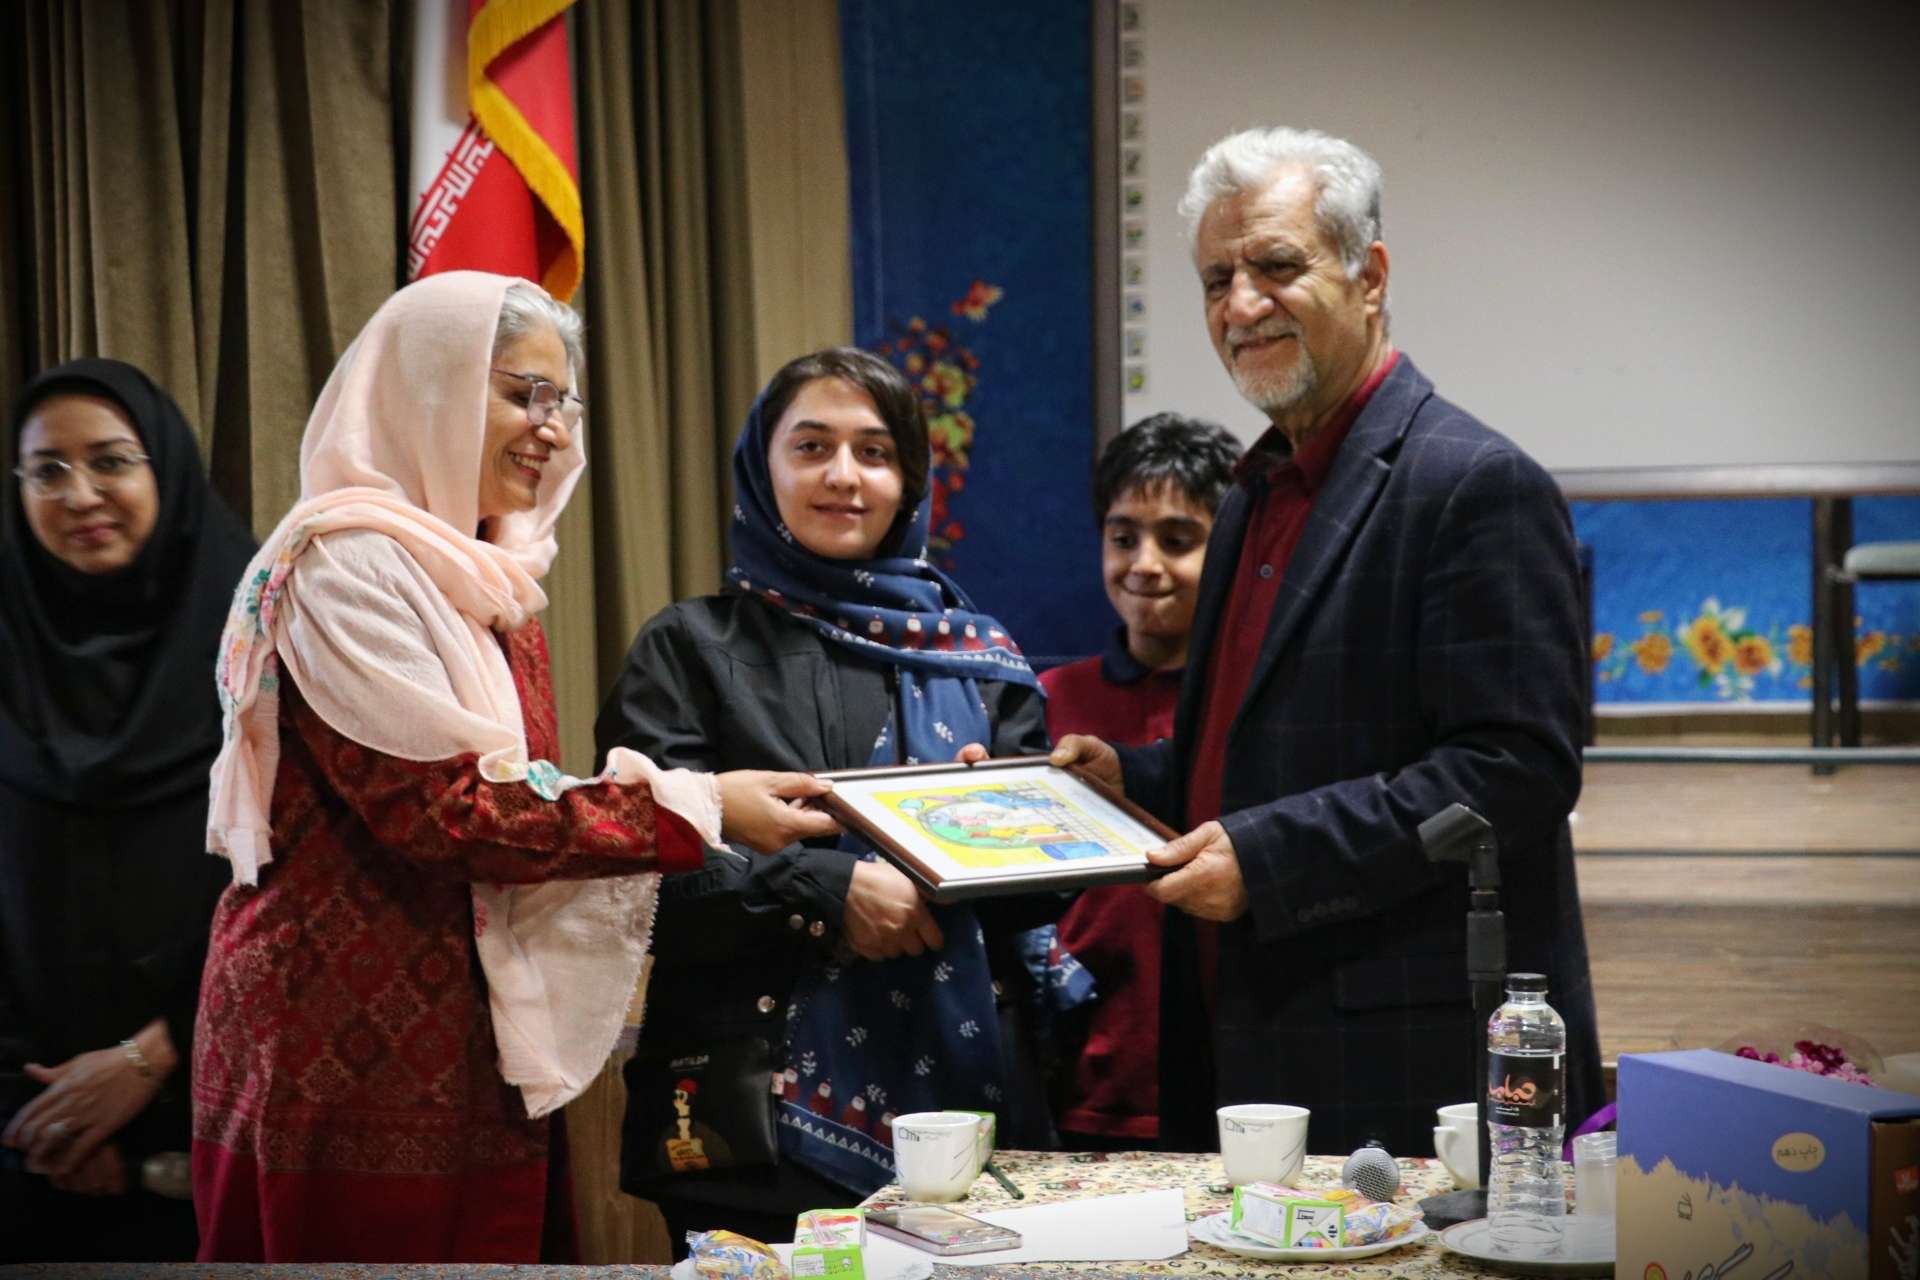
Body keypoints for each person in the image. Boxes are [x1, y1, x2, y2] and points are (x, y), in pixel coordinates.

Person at [188, 272, 836, 1264]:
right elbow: (448, 811)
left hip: (469, 1026)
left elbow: (515, 792)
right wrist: (698, 804)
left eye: (562, 400)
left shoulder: (485, 574)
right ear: (429, 389)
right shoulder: (346, 564)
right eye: (522, 394)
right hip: (340, 1047)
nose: (553, 428)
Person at [1053, 127, 1603, 1157]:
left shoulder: (1475, 484)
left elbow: (1514, 771)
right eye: (1216, 279)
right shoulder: (1254, 492)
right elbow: (1279, 752)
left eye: (1275, 265)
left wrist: (1267, 860)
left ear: (1369, 274)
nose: (1240, 305)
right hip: (1245, 1040)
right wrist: (1130, 776)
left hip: (1406, 1064)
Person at [595, 346, 1053, 1253]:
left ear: (909, 480)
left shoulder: (980, 659)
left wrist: (995, 840)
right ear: (761, 469)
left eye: (875, 452)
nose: (844, 475)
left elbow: (1044, 898)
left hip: (966, 1125)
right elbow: (632, 879)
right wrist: (824, 889)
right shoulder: (688, 648)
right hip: (754, 1133)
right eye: (811, 447)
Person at [0, 360, 255, 1262]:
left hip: (225, 1116)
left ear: (168, 472)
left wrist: (153, 1057)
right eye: (48, 471)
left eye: (110, 461)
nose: (80, 495)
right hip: (31, 1140)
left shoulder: (262, 649)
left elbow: (303, 896)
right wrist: (41, 1116)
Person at [1040, 412, 1240, 1150]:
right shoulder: (1049, 698)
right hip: (1082, 1073)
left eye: (1178, 540)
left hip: (1233, 1080)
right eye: (1123, 538)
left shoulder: (1255, 704)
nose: (1144, 564)